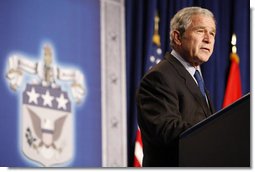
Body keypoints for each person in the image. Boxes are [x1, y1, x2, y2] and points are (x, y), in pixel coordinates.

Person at [136, 7, 216, 167]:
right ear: (177, 37)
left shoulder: (196, 77)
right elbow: (166, 130)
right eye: (201, 31)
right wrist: (217, 132)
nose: (208, 39)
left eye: (212, 33)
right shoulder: (159, 77)